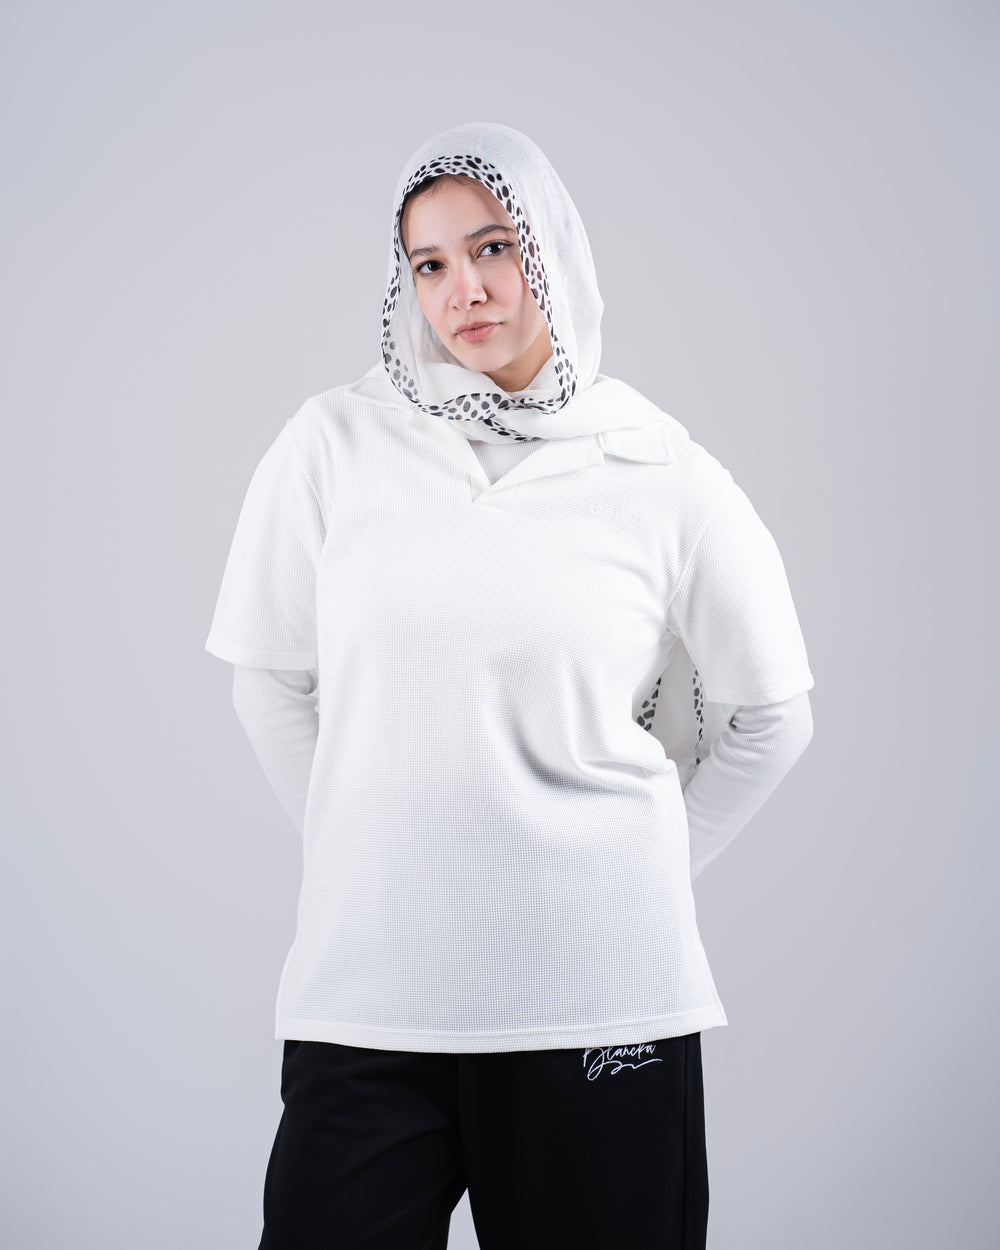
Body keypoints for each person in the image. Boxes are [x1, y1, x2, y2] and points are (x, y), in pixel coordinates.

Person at [204, 121, 814, 1250]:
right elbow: (269, 680)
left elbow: (774, 715)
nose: (465, 290)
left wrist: (631, 871)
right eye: (429, 263)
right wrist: (371, 850)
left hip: (598, 998)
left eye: (493, 247)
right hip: (371, 998)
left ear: (550, 247)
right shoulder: (334, 443)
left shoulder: (657, 463)